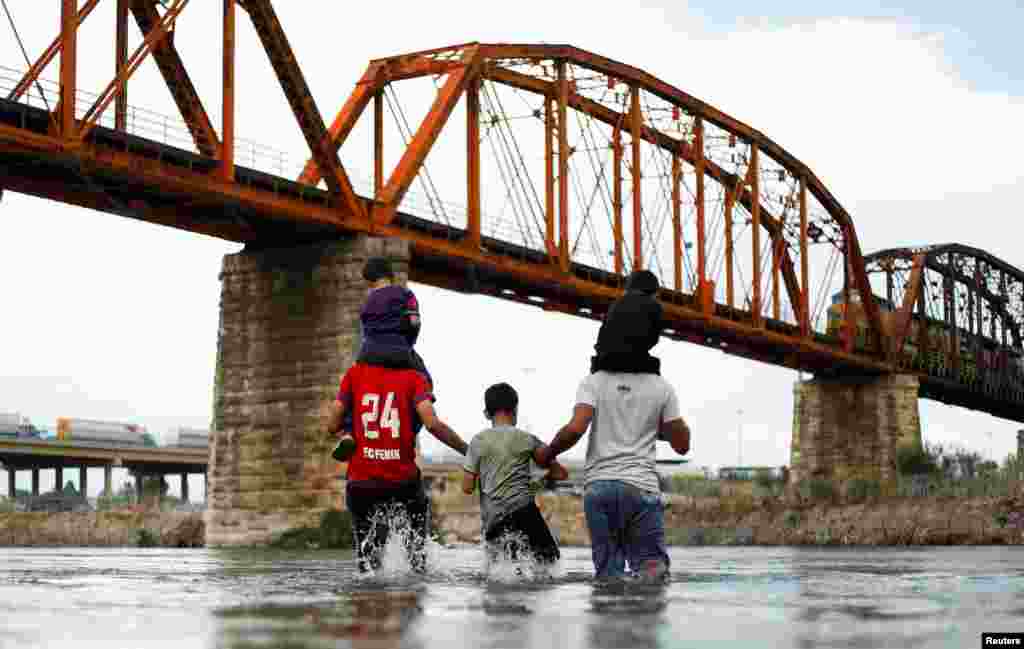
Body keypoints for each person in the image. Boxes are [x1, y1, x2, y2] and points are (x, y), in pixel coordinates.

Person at [536, 353, 691, 580]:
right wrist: (649, 423)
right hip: (641, 488)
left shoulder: (594, 381)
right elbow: (682, 445)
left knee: (608, 577)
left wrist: (547, 454)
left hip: (599, 490)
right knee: (652, 574)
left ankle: (607, 612)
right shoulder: (662, 387)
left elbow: (576, 429)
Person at [322, 348, 467, 573]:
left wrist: (345, 431)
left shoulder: (355, 374)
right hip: (402, 482)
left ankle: (368, 601)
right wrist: (468, 450)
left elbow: (331, 424)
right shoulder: (414, 378)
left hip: (362, 483)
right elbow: (432, 424)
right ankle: (412, 593)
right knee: (416, 558)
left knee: (368, 565)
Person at [334, 257, 434, 462]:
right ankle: (409, 431)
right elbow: (414, 323)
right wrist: (408, 345)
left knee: (354, 393)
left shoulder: (368, 302)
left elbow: (365, 335)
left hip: (369, 354)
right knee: (426, 383)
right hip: (400, 351)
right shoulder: (406, 295)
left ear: (370, 282)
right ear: (390, 275)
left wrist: (365, 359)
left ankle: (348, 432)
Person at [461, 383, 568, 565]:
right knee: (550, 566)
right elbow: (560, 474)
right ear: (515, 409)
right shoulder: (527, 439)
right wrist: (539, 479)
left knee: (501, 573)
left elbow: (467, 487)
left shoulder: (478, 442)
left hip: (494, 520)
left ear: (486, 413)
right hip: (525, 513)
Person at [591, 270, 663, 375]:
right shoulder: (654, 306)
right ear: (653, 291)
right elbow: (653, 339)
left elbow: (603, 333)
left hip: (603, 362)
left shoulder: (615, 304)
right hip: (635, 363)